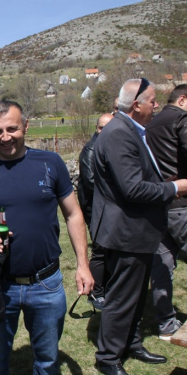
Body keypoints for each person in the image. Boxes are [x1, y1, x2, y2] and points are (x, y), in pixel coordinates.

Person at [0, 99, 93, 375]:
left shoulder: (51, 163)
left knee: (48, 360)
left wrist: (83, 265)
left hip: (46, 283)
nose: (5, 137)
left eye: (11, 129)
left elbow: (73, 215)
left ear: (26, 126)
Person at [91, 78, 187, 375]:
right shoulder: (119, 133)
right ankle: (107, 358)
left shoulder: (130, 129)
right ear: (137, 105)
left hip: (137, 231)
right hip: (125, 233)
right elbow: (132, 189)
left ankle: (130, 344)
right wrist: (176, 188)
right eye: (153, 100)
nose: (156, 105)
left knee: (134, 295)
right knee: (121, 298)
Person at [145, 84, 187, 341]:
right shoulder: (181, 119)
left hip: (156, 203)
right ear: (182, 100)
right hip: (181, 203)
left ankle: (165, 323)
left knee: (162, 267)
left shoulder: (149, 124)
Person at [77, 113, 113, 309]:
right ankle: (96, 292)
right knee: (100, 249)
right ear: (97, 128)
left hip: (107, 206)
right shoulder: (91, 149)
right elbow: (91, 182)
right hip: (95, 207)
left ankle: (106, 287)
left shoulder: (109, 145)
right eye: (103, 128)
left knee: (107, 249)